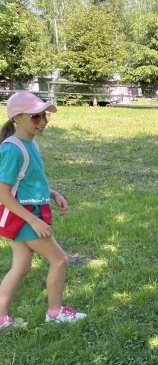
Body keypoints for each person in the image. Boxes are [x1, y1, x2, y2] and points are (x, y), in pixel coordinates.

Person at [0, 92, 86, 330]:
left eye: (44, 116)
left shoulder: (31, 145)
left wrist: (53, 194)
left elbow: (28, 183)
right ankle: (55, 313)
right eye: (35, 117)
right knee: (60, 260)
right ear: (17, 118)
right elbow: (3, 194)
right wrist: (33, 221)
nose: (43, 121)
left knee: (21, 267)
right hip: (25, 217)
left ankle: (1, 318)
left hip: (27, 213)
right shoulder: (12, 150)